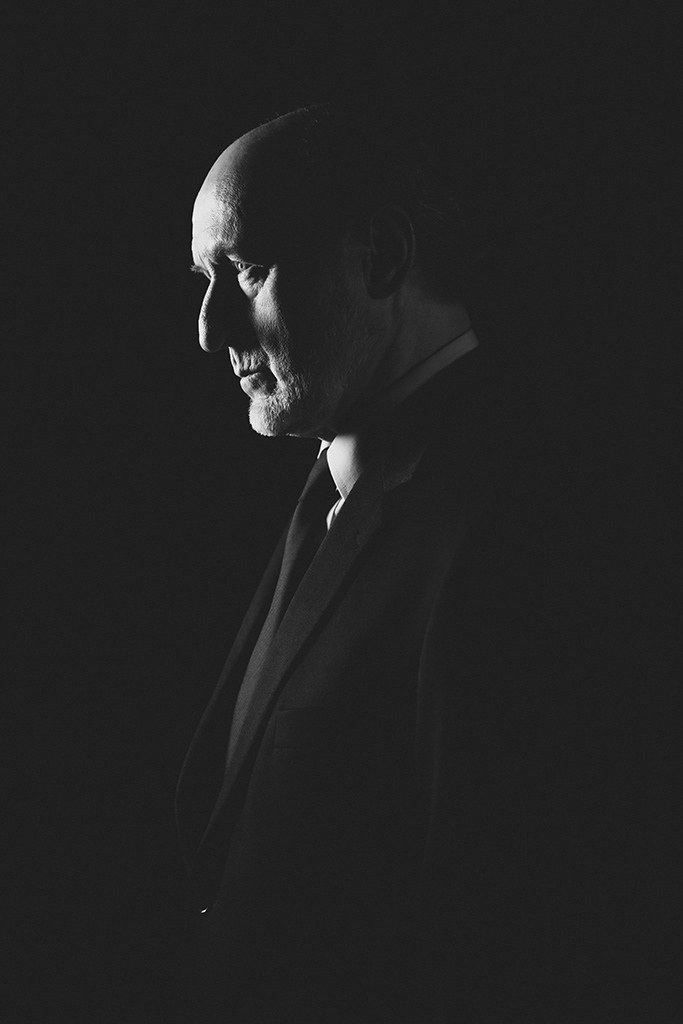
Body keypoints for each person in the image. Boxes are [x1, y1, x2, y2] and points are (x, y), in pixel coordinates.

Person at [175, 101, 675, 1022]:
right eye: (205, 280)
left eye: (245, 271)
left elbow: (511, 944)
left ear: (382, 256)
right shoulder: (337, 488)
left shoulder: (526, 529)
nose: (210, 328)